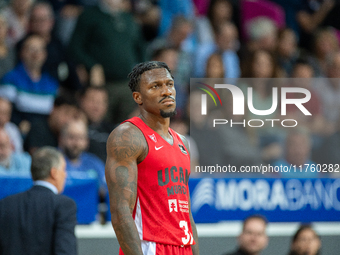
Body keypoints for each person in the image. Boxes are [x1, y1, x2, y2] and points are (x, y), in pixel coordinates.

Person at [105, 61, 199, 254]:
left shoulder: (183, 142)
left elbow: (185, 212)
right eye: (155, 86)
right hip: (150, 245)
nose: (166, 91)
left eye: (169, 84)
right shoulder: (128, 136)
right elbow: (120, 210)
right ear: (138, 97)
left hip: (182, 246)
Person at [0, 146, 77, 255]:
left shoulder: (5, 204)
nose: (65, 174)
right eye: (63, 169)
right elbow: (65, 250)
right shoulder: (63, 205)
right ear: (54, 173)